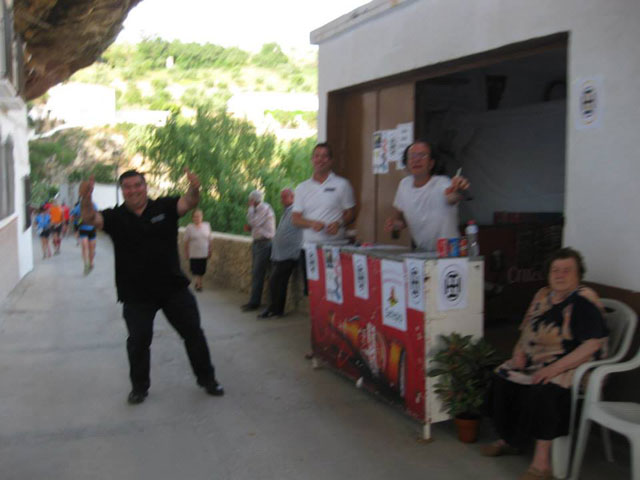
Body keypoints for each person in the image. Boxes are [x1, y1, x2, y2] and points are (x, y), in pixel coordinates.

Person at [79, 169, 224, 405]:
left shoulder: (165, 207)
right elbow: (89, 219)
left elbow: (189, 201)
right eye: (127, 187)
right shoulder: (115, 217)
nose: (133, 190)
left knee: (194, 334)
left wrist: (195, 187)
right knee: (138, 343)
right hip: (136, 294)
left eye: (137, 185)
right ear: (122, 190)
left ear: (145, 186)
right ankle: (139, 388)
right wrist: (85, 198)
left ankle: (208, 379)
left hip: (173, 288)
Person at [482, 247, 608, 480]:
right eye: (555, 270)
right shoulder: (542, 295)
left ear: (578, 274)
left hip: (573, 365)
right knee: (502, 376)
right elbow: (526, 332)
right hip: (537, 360)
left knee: (545, 388)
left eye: (567, 270)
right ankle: (509, 439)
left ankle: (541, 464)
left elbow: (592, 345)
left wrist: (554, 368)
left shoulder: (583, 300)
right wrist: (518, 353)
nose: (560, 275)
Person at [384, 139, 470, 251]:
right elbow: (400, 218)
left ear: (431, 163)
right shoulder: (404, 185)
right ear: (407, 163)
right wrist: (396, 224)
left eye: (422, 155)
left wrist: (458, 189)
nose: (416, 159)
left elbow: (452, 197)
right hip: (423, 252)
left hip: (450, 253)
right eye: (412, 156)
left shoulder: (442, 182)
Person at [292, 142, 356, 245]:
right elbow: (295, 219)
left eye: (324, 156)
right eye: (316, 156)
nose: (320, 160)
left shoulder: (343, 184)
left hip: (336, 245)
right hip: (309, 246)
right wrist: (311, 223)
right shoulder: (301, 187)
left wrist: (339, 224)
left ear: (331, 161)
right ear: (312, 160)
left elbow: (351, 213)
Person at [258, 188, 303, 319]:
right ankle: (273, 309)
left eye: (284, 197)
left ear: (292, 197)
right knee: (276, 283)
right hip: (280, 254)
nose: (281, 200)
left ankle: (276, 310)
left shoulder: (296, 211)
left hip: (289, 254)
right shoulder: (287, 211)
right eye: (281, 197)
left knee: (277, 282)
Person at [241, 190, 276, 312]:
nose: (248, 202)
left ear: (253, 200)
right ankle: (256, 301)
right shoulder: (257, 209)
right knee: (258, 273)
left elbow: (254, 222)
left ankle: (255, 303)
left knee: (258, 273)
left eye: (250, 200)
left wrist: (250, 208)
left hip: (264, 244)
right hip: (258, 243)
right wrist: (251, 228)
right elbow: (256, 225)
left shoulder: (264, 208)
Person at [183, 209, 212, 292]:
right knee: (195, 270)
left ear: (202, 217)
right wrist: (186, 252)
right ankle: (199, 284)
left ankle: (198, 283)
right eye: (195, 217)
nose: (197, 218)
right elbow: (186, 241)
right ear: (192, 218)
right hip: (194, 253)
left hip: (204, 252)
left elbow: (210, 239)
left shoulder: (207, 225)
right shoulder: (189, 227)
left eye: (199, 216)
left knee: (202, 270)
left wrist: (210, 249)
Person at [70, 198, 98, 275]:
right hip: (83, 229)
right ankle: (86, 264)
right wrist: (77, 220)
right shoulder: (79, 206)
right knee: (84, 246)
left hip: (92, 229)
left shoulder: (94, 205)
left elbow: (97, 215)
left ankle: (91, 262)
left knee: (92, 249)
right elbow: (72, 216)